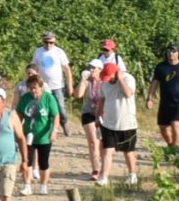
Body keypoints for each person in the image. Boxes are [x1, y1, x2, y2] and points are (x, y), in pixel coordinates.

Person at [92, 50, 143, 185]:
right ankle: (104, 178)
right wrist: (97, 117)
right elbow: (102, 100)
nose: (108, 80)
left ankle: (132, 175)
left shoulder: (128, 79)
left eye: (109, 77)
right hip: (108, 123)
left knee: (128, 151)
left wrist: (120, 79)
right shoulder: (105, 83)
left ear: (117, 73)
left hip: (127, 123)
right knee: (107, 151)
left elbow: (128, 93)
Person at [14, 67, 63, 198]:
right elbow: (19, 114)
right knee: (27, 160)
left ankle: (43, 185)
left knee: (43, 162)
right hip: (28, 135)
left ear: (41, 86)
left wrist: (54, 131)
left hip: (44, 136)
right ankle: (27, 185)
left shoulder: (49, 98)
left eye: (35, 88)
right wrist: (18, 130)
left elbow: (56, 115)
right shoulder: (25, 98)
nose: (32, 90)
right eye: (30, 88)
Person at [75, 48, 107, 181]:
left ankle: (104, 168)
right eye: (90, 67)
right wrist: (83, 80)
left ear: (100, 70)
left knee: (103, 143)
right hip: (89, 112)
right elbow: (78, 95)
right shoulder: (87, 81)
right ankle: (96, 169)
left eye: (94, 68)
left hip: (103, 113)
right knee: (93, 142)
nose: (91, 70)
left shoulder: (105, 82)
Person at [30, 32, 71, 106]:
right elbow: (33, 66)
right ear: (43, 41)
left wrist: (70, 86)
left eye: (51, 42)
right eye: (46, 42)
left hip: (57, 86)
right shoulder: (38, 51)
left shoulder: (59, 52)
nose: (48, 44)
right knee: (43, 106)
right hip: (42, 85)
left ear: (54, 41)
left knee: (60, 107)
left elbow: (67, 69)